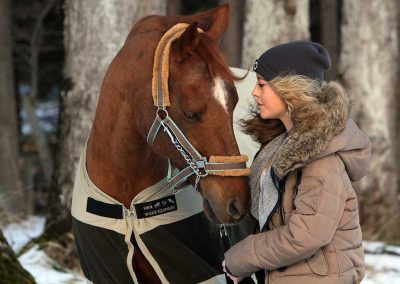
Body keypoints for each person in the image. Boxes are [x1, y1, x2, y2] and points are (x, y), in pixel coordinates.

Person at [222, 40, 371, 283]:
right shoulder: (280, 145)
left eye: (261, 85)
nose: (254, 93)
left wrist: (241, 259)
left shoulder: (321, 159)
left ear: (288, 91)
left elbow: (306, 236)